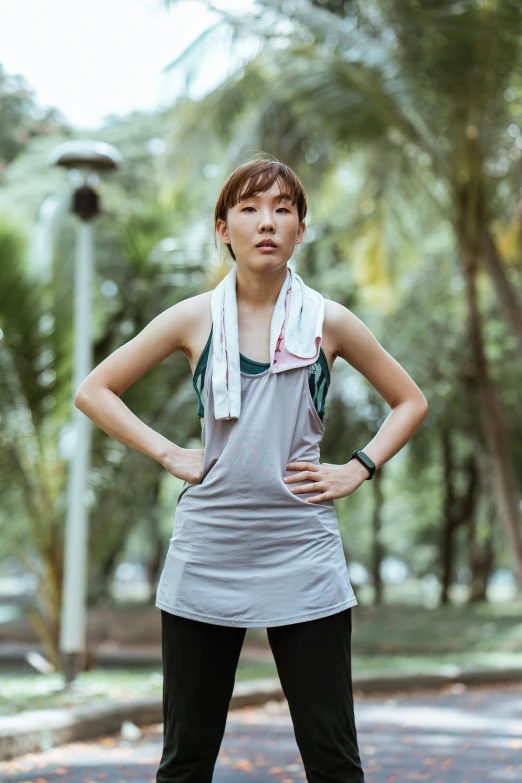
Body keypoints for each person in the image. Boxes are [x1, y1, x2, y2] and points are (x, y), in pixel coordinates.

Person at [75, 154, 429, 782]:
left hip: (303, 553)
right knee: (185, 763)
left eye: (282, 209)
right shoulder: (193, 319)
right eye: (249, 208)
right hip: (206, 553)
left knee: (333, 760)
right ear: (223, 228)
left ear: (299, 229)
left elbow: (411, 400)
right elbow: (95, 390)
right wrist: (167, 452)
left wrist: (359, 467)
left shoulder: (330, 322)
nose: (267, 222)